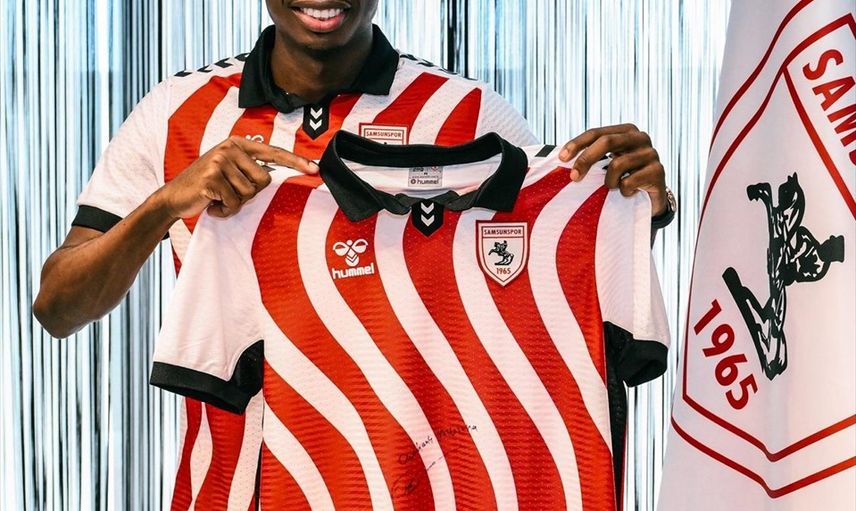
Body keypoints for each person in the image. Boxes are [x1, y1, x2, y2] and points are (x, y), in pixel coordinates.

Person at [33, 0, 674, 508]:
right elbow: (58, 307)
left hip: (434, 486)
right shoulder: (175, 112)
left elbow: (544, 273)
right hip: (230, 491)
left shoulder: (472, 113)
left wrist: (629, 210)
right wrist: (166, 204)